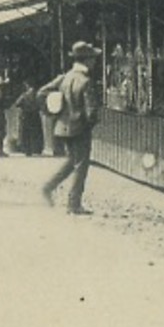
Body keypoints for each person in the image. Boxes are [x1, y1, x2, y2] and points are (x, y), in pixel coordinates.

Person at [39, 41, 102, 215]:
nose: (95, 62)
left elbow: (42, 92)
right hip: (79, 128)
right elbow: (92, 111)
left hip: (62, 127)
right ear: (87, 60)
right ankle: (74, 204)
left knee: (71, 161)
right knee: (81, 166)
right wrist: (89, 124)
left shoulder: (65, 77)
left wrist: (54, 112)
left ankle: (48, 187)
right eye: (93, 58)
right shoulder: (86, 81)